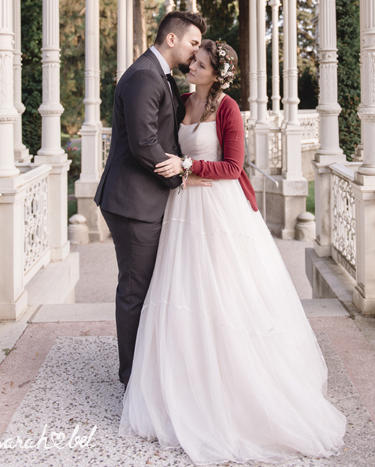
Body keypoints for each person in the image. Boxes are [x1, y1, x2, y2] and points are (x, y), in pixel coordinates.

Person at [118, 39, 346, 465]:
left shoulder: (227, 108)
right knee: (181, 293)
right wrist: (177, 171)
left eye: (200, 64)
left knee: (224, 294)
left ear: (216, 74)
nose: (192, 66)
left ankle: (235, 389)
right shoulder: (182, 98)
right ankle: (182, 383)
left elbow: (234, 167)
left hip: (219, 208)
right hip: (182, 206)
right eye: (193, 60)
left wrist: (188, 167)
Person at [94, 11, 207, 389]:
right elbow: (144, 143)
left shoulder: (160, 76)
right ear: (171, 39)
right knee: (134, 291)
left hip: (142, 198)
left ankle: (145, 369)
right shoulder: (144, 76)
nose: (195, 52)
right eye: (193, 43)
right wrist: (182, 177)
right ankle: (131, 382)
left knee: (146, 286)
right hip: (132, 202)